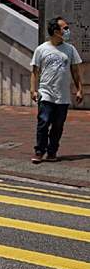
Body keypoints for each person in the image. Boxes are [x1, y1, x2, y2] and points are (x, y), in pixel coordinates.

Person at [30, 16, 84, 164]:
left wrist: (80, 89)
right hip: (46, 92)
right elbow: (35, 72)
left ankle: (52, 151)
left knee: (58, 126)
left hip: (63, 95)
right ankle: (40, 151)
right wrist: (33, 90)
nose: (67, 30)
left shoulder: (70, 49)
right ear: (55, 31)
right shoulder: (41, 49)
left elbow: (75, 71)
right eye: (64, 28)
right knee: (43, 122)